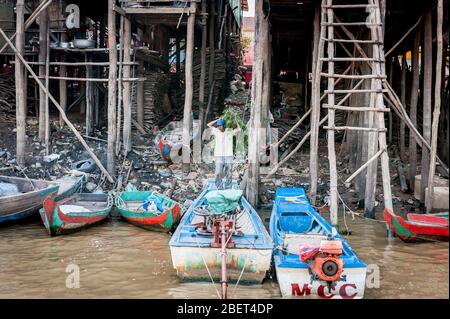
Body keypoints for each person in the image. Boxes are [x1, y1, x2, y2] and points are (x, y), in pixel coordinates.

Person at [207, 118, 241, 189]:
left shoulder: (229, 132)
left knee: (229, 173)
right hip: (218, 156)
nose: (219, 127)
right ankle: (219, 187)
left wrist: (235, 120)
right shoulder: (216, 131)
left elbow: (239, 129)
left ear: (224, 126)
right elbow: (209, 125)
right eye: (218, 126)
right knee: (218, 173)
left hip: (228, 155)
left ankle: (228, 188)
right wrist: (217, 120)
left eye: (220, 125)